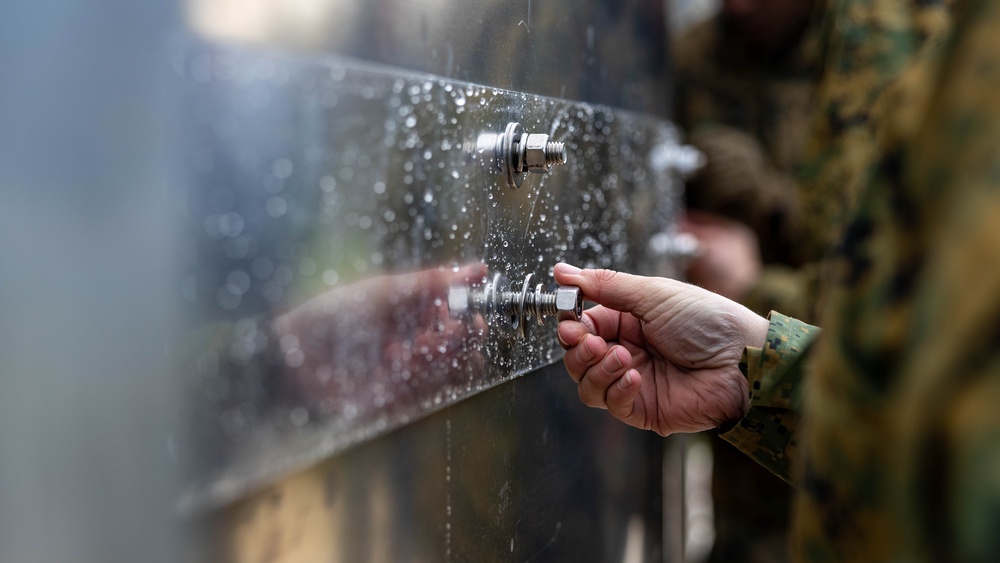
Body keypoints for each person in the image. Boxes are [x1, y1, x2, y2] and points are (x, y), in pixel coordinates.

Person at [554, 0, 1000, 558]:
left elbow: (917, 327)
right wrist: (751, 366)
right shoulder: (692, 58)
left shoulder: (926, 40)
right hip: (758, 499)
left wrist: (754, 282)